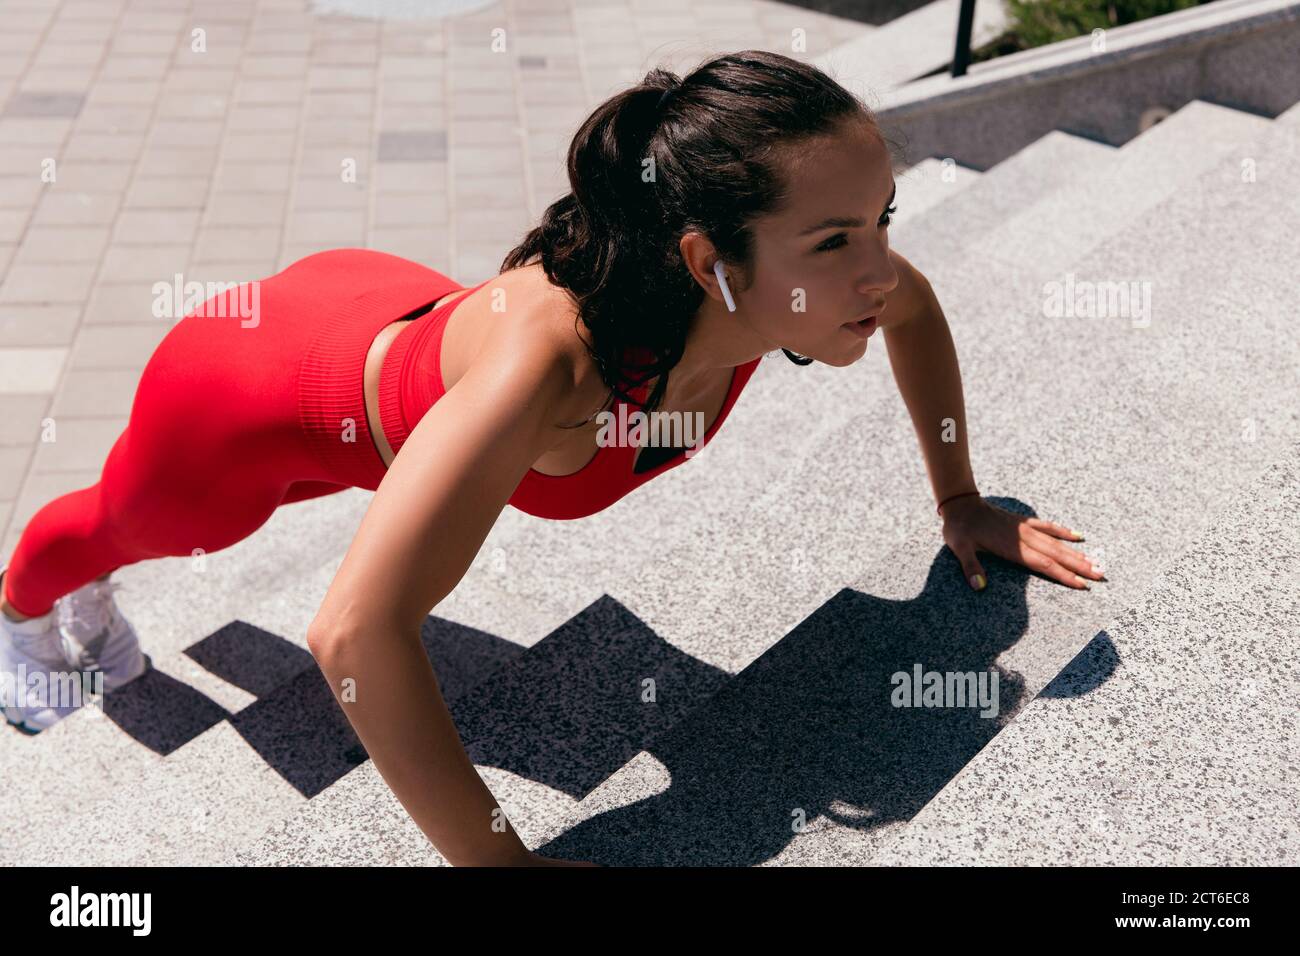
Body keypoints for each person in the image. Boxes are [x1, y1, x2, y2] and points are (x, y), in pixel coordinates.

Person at [0, 50, 1103, 865]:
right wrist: (500, 861)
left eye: (880, 220)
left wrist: (960, 496)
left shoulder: (781, 299)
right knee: (149, 527)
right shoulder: (551, 374)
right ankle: (21, 611)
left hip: (393, 319)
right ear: (706, 260)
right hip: (256, 390)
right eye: (834, 240)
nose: (879, 269)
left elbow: (915, 312)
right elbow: (347, 634)